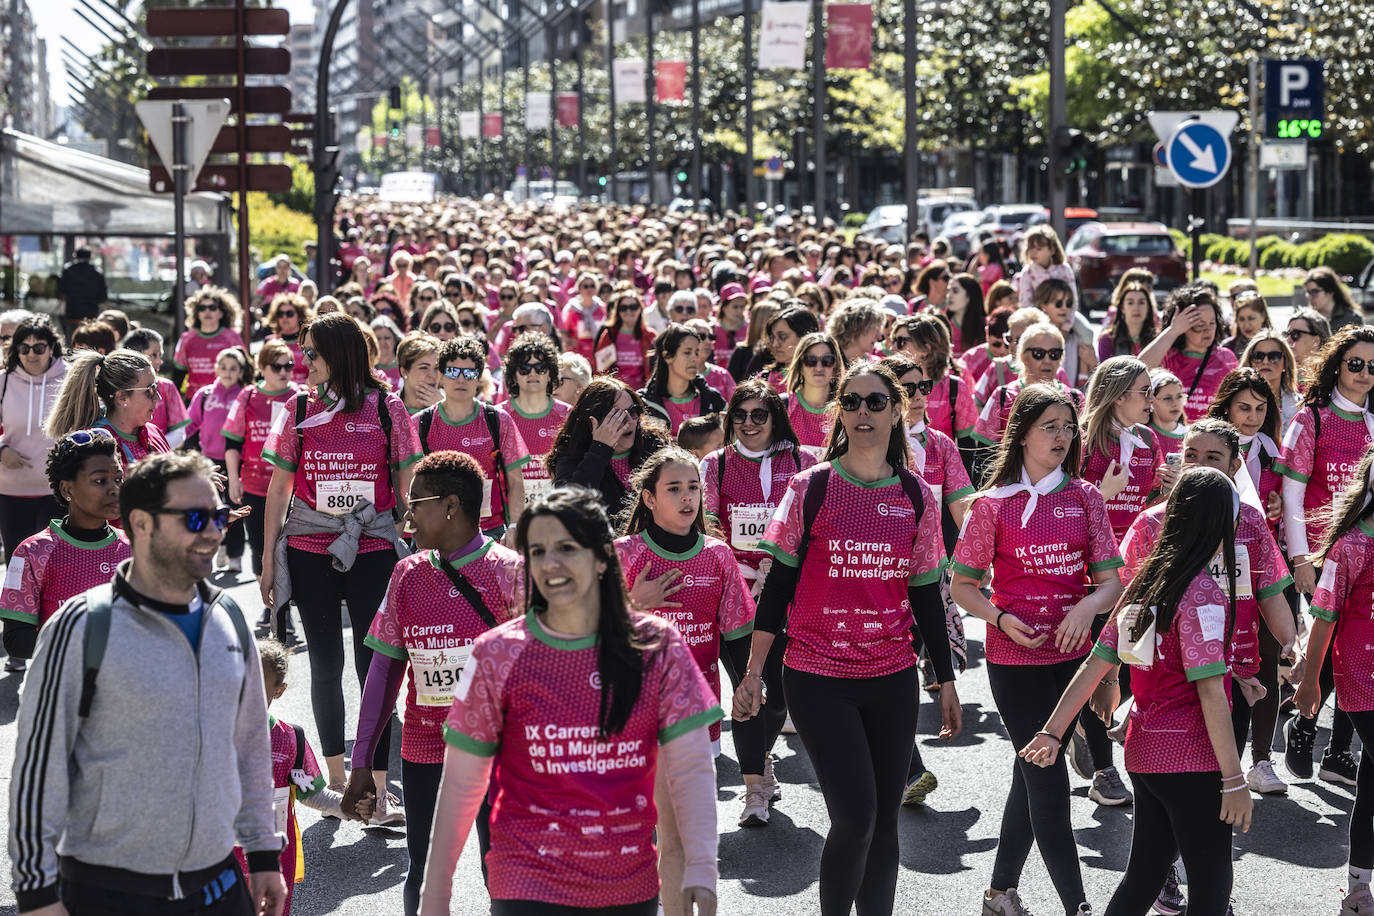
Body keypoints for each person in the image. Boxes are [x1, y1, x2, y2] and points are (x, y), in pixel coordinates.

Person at [418, 487, 722, 916]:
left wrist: (702, 868)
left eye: (566, 548)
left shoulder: (656, 646)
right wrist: (436, 894)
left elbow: (691, 768)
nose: (550, 564)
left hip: (626, 887)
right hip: (525, 881)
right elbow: (462, 785)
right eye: (537, 551)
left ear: (602, 558)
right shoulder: (496, 653)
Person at [8, 450, 287, 916]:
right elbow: (38, 770)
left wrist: (262, 855)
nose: (214, 532)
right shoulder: (79, 627)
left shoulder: (228, 616)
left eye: (217, 516)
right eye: (195, 518)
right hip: (108, 894)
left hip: (220, 885)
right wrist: (38, 896)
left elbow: (251, 744)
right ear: (141, 523)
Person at [733, 361, 960, 916]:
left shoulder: (916, 495)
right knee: (856, 818)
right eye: (852, 402)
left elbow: (926, 593)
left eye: (876, 402)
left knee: (884, 825)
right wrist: (754, 672)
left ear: (897, 411)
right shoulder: (809, 487)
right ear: (839, 411)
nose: (863, 412)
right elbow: (778, 585)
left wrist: (946, 678)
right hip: (816, 676)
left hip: (892, 676)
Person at [1020, 467, 1253, 916]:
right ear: (1223, 523)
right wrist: (1234, 778)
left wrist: (1052, 732)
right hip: (1192, 759)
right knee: (1210, 885)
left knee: (1145, 874)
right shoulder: (1203, 594)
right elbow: (1210, 694)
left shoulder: (1147, 585)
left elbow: (1099, 664)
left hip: (1145, 754)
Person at [951, 383, 1123, 916]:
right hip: (1013, 660)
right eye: (1050, 426)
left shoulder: (1086, 496)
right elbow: (962, 586)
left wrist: (1084, 610)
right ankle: (1079, 906)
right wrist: (1000, 616)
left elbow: (1112, 584)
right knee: (1046, 779)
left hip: (1074, 661)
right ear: (1022, 433)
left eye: (1068, 428)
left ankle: (1000, 892)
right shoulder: (992, 505)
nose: (1062, 436)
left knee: (1029, 772)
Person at [341, 451, 524, 916]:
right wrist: (362, 762)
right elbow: (383, 673)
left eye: (414, 503)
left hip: (498, 755)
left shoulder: (510, 572)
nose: (405, 517)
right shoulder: (407, 574)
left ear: (449, 506)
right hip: (425, 750)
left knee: (501, 873)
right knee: (423, 874)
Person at [260, 312, 421, 824]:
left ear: (340, 353)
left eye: (312, 353)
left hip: (372, 545)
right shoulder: (298, 405)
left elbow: (408, 485)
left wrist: (417, 546)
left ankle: (376, 787)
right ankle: (334, 785)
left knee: (373, 668)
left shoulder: (388, 406)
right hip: (309, 546)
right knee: (325, 664)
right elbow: (279, 487)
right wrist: (268, 556)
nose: (302, 362)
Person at [615, 448, 756, 912]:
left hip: (695, 716)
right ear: (649, 499)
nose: (686, 497)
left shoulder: (717, 555)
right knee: (647, 837)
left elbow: (736, 636)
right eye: (673, 488)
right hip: (630, 715)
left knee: (684, 836)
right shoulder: (623, 554)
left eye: (693, 486)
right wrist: (633, 604)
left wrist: (748, 684)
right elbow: (587, 641)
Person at [1277, 324, 1374, 785]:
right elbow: (1292, 496)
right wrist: (1300, 560)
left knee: (1356, 649)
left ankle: (1337, 752)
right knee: (1329, 643)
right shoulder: (1310, 418)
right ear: (1337, 364)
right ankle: (1306, 723)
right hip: (1320, 554)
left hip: (1367, 552)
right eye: (1355, 363)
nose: (1364, 373)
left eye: (1373, 367)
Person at [1299, 444, 1374, 916]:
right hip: (1360, 679)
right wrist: (1310, 683)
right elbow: (1323, 619)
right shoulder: (1351, 546)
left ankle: (1357, 890)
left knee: (1370, 785)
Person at [0, 429, 130, 674]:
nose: (114, 489)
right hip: (59, 691)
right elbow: (16, 639)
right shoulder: (31, 553)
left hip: (125, 691)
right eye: (100, 481)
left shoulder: (133, 550)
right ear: (67, 489)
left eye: (118, 479)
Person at [242, 638, 352, 916]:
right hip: (222, 854)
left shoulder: (289, 738)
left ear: (278, 691)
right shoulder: (208, 733)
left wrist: (347, 807)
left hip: (276, 855)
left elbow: (312, 793)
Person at [224, 341, 301, 642]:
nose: (284, 372)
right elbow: (232, 444)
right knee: (260, 548)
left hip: (292, 488)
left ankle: (286, 610)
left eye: (288, 366)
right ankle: (269, 604)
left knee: (289, 549)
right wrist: (233, 479)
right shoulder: (248, 396)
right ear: (262, 368)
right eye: (277, 367)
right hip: (255, 486)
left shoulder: (299, 396)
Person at [416, 336, 528, 539]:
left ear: (479, 378)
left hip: (490, 531)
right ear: (440, 376)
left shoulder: (498, 420)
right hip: (437, 533)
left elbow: (516, 482)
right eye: (452, 372)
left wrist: (514, 526)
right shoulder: (420, 424)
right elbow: (408, 484)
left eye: (469, 373)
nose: (461, 379)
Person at [548, 377, 671, 516]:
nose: (629, 421)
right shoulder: (571, 453)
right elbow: (569, 507)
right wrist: (600, 449)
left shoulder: (654, 444)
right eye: (618, 416)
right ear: (593, 421)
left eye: (633, 411)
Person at [0, 315, 68, 562]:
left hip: (57, 491)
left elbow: (86, 425)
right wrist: (1, 448)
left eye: (39, 347)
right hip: (11, 491)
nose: (31, 354)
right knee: (17, 565)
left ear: (51, 348)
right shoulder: (4, 381)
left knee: (52, 564)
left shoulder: (70, 380)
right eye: (24, 348)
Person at [46, 348, 170, 474]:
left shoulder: (154, 433)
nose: (158, 398)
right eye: (150, 390)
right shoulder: (93, 446)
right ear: (121, 397)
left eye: (156, 387)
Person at [185, 347, 249, 573]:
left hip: (237, 462)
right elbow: (189, 423)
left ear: (241, 371)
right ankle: (213, 546)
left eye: (233, 368)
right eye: (223, 367)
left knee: (235, 507)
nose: (228, 372)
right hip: (208, 461)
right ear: (216, 369)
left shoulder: (245, 394)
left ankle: (234, 554)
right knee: (207, 507)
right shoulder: (204, 394)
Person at [973, 322, 1085, 449]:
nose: (1047, 360)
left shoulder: (1075, 399)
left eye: (1054, 354)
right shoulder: (1003, 396)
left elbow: (1083, 451)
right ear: (1023, 357)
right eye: (1039, 353)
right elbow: (983, 453)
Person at [1140, 283, 1238, 423]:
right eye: (1200, 325)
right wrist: (1173, 330)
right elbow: (1136, 371)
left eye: (1212, 323)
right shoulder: (1167, 356)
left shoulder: (1226, 357)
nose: (1208, 330)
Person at [638, 324, 727, 435]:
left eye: (696, 352)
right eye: (687, 352)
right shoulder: (643, 402)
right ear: (667, 356)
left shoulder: (713, 399)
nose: (695, 359)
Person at [125, 327, 191, 447]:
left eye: (160, 355)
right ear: (135, 356)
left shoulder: (167, 387)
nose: (160, 361)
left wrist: (153, 448)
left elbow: (179, 433)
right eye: (153, 355)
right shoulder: (119, 387)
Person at [783, 331, 839, 451]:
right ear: (800, 365)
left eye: (827, 360)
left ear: (835, 365)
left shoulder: (844, 410)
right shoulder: (782, 406)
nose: (819, 367)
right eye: (810, 360)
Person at [593, 286, 657, 389]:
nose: (628, 311)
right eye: (624, 308)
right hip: (616, 392)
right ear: (618, 311)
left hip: (643, 392)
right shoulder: (609, 334)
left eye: (633, 307)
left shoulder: (650, 335)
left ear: (640, 309)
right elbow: (600, 368)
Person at [1241, 330, 1300, 430]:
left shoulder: (1300, 406)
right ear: (1250, 362)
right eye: (1259, 356)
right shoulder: (1235, 402)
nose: (1265, 362)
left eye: (1274, 356)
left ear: (1285, 363)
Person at [1096, 280, 1158, 361]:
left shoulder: (1158, 339)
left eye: (1141, 302)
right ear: (1122, 308)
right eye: (1130, 303)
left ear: (1148, 308)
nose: (1136, 308)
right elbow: (1105, 372)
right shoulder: (1107, 339)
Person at [265, 293, 313, 386]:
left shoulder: (309, 341)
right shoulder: (269, 342)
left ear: (299, 316)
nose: (284, 317)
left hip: (305, 393)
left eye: (289, 314)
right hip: (279, 394)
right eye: (280, 314)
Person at [57, 246, 106, 331]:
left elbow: (61, 291)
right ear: (90, 256)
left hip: (72, 314)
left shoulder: (68, 270)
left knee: (72, 340)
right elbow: (103, 297)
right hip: (91, 315)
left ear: (75, 256)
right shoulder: (97, 272)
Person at [1304, 265, 1365, 332]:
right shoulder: (1306, 320)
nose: (1309, 297)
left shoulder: (1353, 318)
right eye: (1308, 292)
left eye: (1314, 292)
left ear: (1330, 292)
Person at [398, 332, 443, 417]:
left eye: (437, 368)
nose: (433, 375)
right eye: (424, 368)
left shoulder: (449, 408)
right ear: (404, 371)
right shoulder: (387, 408)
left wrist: (443, 412)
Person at [1147, 369, 1187, 463]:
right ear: (1151, 401)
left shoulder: (1190, 435)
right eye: (1167, 398)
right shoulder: (1143, 435)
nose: (1175, 404)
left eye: (1179, 397)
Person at [1285, 307, 1333, 384]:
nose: (1287, 340)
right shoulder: (1280, 374)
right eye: (1287, 334)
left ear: (1316, 341)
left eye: (1295, 334)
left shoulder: (1333, 379)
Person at [1223, 291, 1272, 358]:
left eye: (1251, 318)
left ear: (1263, 316)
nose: (1246, 325)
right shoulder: (1227, 348)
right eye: (1241, 319)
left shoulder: (1277, 345)